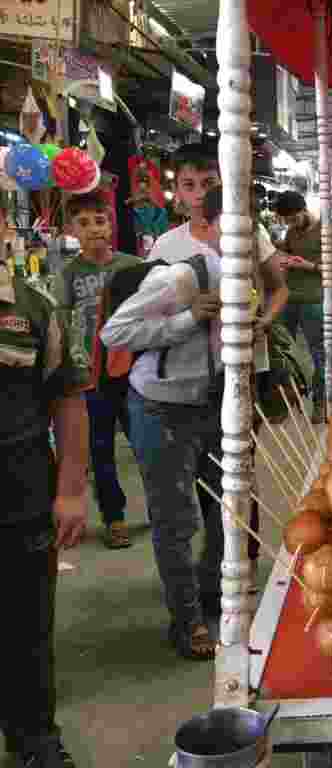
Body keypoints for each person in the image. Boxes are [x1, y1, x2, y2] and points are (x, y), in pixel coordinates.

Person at [101, 184, 285, 661]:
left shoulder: (242, 281)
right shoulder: (184, 276)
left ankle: (208, 597)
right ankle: (186, 622)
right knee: (175, 518)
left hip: (213, 402)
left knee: (227, 509)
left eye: (252, 223)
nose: (245, 233)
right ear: (211, 225)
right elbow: (113, 332)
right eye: (233, 222)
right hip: (159, 407)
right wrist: (185, 320)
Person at [1, 211, 88, 768]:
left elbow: (68, 397)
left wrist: (72, 490)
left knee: (26, 626)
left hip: (21, 494)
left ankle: (34, 736)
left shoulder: (32, 305)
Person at [57, 192, 142, 550]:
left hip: (135, 371)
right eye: (85, 223)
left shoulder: (133, 266)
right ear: (71, 229)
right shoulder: (69, 274)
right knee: (101, 447)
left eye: (101, 220)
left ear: (111, 224)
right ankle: (114, 517)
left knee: (147, 444)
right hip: (92, 376)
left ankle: (163, 505)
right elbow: (61, 323)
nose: (94, 229)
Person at [274, 191, 326, 422]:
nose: (291, 224)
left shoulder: (325, 230)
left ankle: (320, 402)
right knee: (284, 352)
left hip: (314, 301)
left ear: (304, 210)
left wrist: (309, 265)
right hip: (289, 299)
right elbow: (287, 251)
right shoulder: (292, 232)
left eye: (293, 219)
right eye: (287, 221)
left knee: (319, 354)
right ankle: (288, 401)